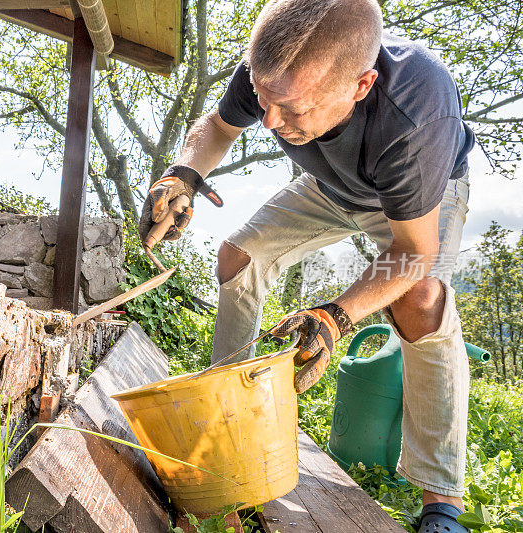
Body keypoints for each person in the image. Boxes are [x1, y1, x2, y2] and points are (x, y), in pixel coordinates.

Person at [138, 0, 475, 531]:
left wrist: (335, 316)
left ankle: (442, 500)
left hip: (416, 199)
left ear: (360, 86)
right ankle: (229, 425)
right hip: (329, 186)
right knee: (239, 257)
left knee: (419, 298)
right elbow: (218, 128)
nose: (270, 121)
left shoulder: (415, 115)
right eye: (264, 99)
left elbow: (414, 252)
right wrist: (181, 174)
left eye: (292, 110)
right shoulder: (273, 71)